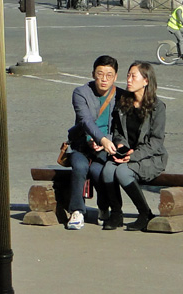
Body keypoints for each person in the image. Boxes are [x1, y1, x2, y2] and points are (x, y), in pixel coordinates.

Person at [101, 61, 167, 231]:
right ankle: (116, 214)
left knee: (122, 172)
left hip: (150, 157)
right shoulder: (124, 103)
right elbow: (117, 132)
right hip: (126, 153)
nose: (129, 80)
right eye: (128, 75)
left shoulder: (157, 107)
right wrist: (120, 145)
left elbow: (156, 141)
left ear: (146, 81)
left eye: (133, 76)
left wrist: (134, 155)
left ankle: (145, 214)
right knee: (108, 170)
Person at [64, 56, 120, 230]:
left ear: (115, 77)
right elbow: (85, 120)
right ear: (93, 74)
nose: (104, 79)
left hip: (106, 147)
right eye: (100, 74)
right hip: (82, 145)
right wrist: (96, 139)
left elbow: (120, 127)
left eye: (109, 75)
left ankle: (103, 207)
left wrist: (106, 141)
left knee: (98, 170)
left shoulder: (119, 96)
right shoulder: (81, 93)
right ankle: (77, 211)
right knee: (80, 167)